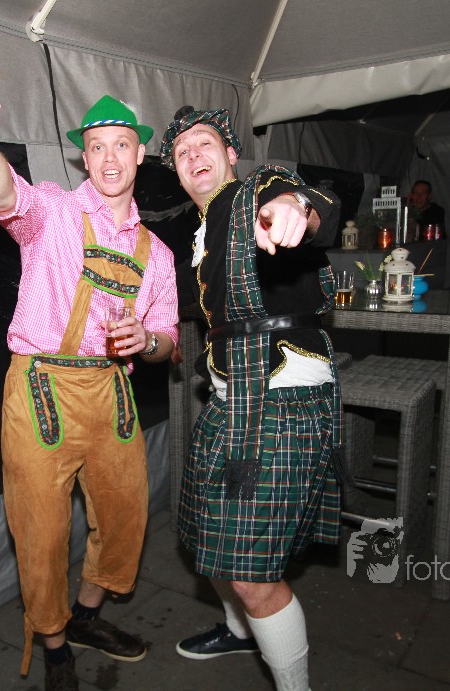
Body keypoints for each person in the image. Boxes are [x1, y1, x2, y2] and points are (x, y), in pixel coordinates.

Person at [0, 55, 179, 691]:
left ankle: (87, 617)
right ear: (83, 157)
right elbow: (1, 192)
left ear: (139, 155)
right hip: (41, 389)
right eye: (96, 146)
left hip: (112, 392)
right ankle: (54, 646)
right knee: (40, 532)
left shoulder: (158, 255)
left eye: (121, 145)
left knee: (124, 518)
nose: (109, 158)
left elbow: (169, 342)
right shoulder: (52, 213)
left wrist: (150, 340)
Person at [160, 106, 343, 691]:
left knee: (252, 575)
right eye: (182, 152)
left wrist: (296, 208)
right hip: (231, 400)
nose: (193, 155)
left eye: (204, 143)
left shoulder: (255, 193)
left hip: (282, 400)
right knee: (207, 534)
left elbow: (312, 203)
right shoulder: (199, 234)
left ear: (231, 155)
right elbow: (181, 308)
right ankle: (241, 631)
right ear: (177, 172)